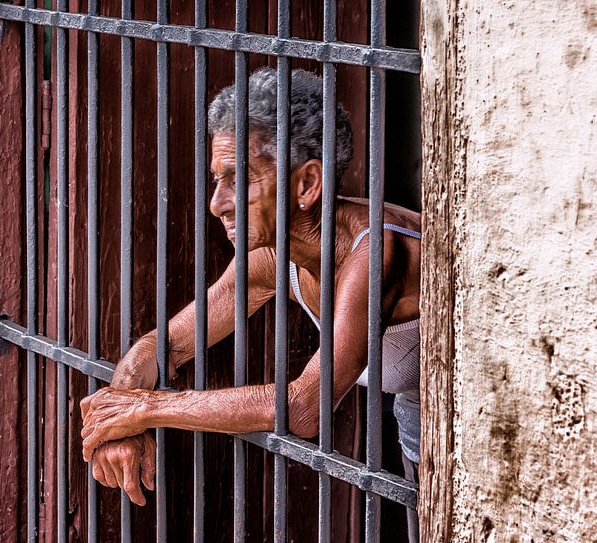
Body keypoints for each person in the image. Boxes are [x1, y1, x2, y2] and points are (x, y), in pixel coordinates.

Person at [79, 67, 421, 541]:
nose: (218, 203)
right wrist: (121, 419)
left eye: (239, 179)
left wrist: (143, 409)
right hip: (415, 425)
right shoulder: (270, 254)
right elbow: (168, 344)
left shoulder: (374, 252)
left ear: (306, 185)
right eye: (218, 179)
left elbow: (305, 408)